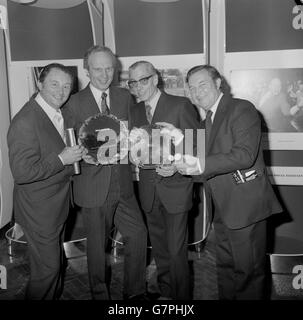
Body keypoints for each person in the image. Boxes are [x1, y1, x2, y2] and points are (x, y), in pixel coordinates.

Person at [174, 65, 283, 300]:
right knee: (224, 269)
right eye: (192, 89)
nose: (197, 92)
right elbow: (199, 163)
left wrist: (200, 164)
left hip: (246, 208)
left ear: (218, 83)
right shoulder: (205, 123)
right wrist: (175, 144)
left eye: (202, 85)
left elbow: (244, 155)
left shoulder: (241, 108)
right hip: (222, 209)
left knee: (248, 274)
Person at [63, 46, 148, 300]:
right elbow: (66, 145)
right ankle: (100, 295)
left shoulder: (124, 97)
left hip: (123, 185)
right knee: (98, 248)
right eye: (97, 69)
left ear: (115, 68)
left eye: (109, 68)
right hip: (92, 186)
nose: (104, 74)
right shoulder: (73, 103)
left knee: (138, 234)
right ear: (87, 70)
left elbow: (136, 133)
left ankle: (134, 294)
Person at [7, 63, 84, 299]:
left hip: (56, 206)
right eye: (54, 84)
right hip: (38, 211)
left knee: (55, 265)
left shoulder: (58, 112)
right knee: (48, 270)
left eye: (67, 86)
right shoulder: (25, 121)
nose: (61, 91)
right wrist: (62, 159)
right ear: (39, 83)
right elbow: (22, 172)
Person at [128, 61, 201, 300]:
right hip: (148, 192)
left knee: (176, 251)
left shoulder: (180, 105)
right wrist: (135, 157)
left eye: (143, 80)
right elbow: (137, 148)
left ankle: (181, 300)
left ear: (155, 79)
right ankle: (166, 293)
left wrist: (177, 168)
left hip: (176, 190)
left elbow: (196, 149)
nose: (138, 87)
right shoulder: (136, 111)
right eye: (132, 82)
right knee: (160, 249)